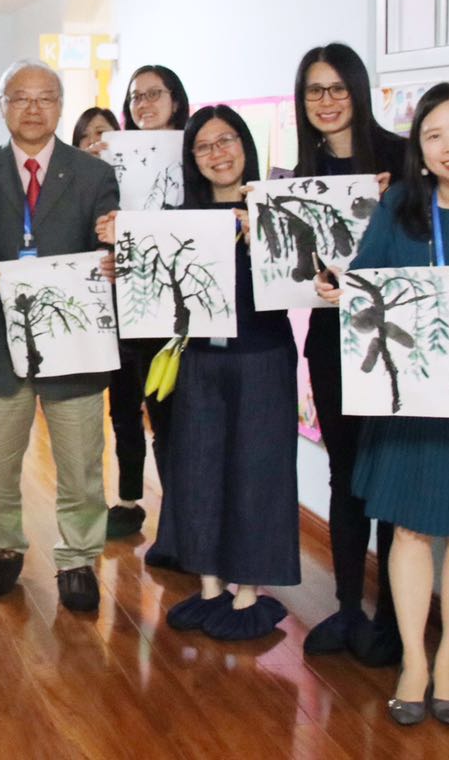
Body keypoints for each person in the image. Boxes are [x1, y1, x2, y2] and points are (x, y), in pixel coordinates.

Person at [317, 84, 449, 726]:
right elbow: (367, 276)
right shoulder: (402, 204)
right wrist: (341, 290)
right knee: (406, 529)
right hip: (407, 392)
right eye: (433, 135)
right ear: (420, 149)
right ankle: (412, 658)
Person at [0, 60, 118, 613]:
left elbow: (112, 240)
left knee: (80, 465)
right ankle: (3, 546)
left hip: (74, 344)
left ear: (60, 105)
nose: (33, 108)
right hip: (2, 342)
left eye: (45, 97)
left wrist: (113, 257)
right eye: (20, 97)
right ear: (2, 105)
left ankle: (77, 558)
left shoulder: (94, 174)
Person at [148, 105, 298, 641]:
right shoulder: (178, 218)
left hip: (263, 355)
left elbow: (305, 279)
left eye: (227, 140)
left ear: (245, 145)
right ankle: (209, 587)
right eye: (204, 146)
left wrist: (263, 237)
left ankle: (248, 592)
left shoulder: (276, 207)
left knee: (258, 472)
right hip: (199, 359)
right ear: (192, 158)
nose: (218, 153)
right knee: (198, 470)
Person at [294, 42, 407, 667]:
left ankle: (392, 617)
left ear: (359, 91)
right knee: (345, 473)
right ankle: (345, 609)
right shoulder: (300, 174)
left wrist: (397, 202)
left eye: (338, 88)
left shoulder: (402, 158)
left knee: (387, 474)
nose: (327, 100)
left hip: (390, 339)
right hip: (330, 340)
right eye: (315, 90)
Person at [106, 65, 190, 543]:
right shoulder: (114, 159)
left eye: (154, 94)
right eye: (136, 96)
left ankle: (178, 513)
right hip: (125, 300)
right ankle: (128, 499)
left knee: (169, 413)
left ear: (175, 100)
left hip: (177, 307)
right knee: (123, 408)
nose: (144, 104)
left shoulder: (194, 153)